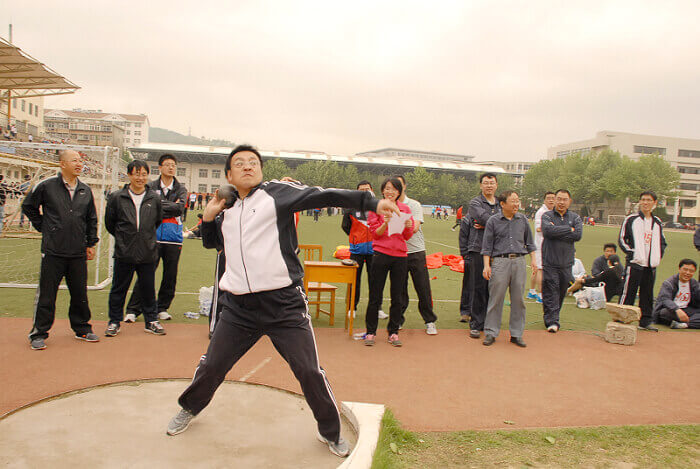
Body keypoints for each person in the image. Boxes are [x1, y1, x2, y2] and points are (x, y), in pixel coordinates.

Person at [166, 145, 398, 458]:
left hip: (284, 305)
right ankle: (189, 408)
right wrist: (209, 217)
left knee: (309, 371)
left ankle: (330, 431)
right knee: (212, 365)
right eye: (239, 163)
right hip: (238, 309)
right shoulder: (227, 208)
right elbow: (215, 244)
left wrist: (371, 202)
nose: (248, 167)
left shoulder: (277, 194)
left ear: (261, 170)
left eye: (253, 162)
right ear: (229, 176)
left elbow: (323, 195)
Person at [21, 150, 100, 350]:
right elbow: (28, 206)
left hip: (77, 252)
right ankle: (39, 333)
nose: (79, 164)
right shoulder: (46, 186)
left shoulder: (85, 190)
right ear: (62, 164)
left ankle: (82, 328)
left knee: (80, 294)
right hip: (53, 251)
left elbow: (91, 219)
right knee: (47, 295)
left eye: (80, 161)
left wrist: (90, 243)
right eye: (74, 160)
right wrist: (44, 226)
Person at [104, 160, 165, 337]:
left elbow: (156, 221)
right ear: (129, 175)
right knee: (118, 289)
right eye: (137, 174)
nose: (140, 178)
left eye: (144, 174)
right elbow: (110, 223)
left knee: (148, 289)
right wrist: (125, 238)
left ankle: (151, 321)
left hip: (147, 252)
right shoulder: (117, 197)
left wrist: (145, 238)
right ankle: (114, 322)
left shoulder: (154, 198)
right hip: (124, 252)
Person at [124, 154, 187, 323]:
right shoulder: (150, 186)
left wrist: (160, 205)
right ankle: (133, 309)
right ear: (160, 168)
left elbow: (179, 209)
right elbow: (149, 207)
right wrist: (167, 206)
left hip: (173, 238)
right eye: (167, 164)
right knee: (146, 273)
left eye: (173, 165)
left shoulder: (181, 189)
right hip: (152, 237)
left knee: (170, 275)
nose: (171, 167)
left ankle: (162, 308)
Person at [481, 191, 537, 347]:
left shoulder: (523, 220)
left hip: (519, 262)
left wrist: (533, 260)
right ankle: (491, 332)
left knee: (518, 299)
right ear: (502, 204)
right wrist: (486, 265)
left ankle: (516, 334)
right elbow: (487, 246)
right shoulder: (493, 221)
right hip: (500, 262)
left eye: (517, 201)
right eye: (513, 201)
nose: (516, 204)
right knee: (496, 298)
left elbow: (530, 243)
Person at [364, 177, 414, 347]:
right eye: (387, 188)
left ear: (399, 192)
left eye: (393, 189)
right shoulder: (377, 208)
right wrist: (385, 224)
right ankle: (371, 332)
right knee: (375, 295)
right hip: (380, 254)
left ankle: (393, 332)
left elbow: (407, 236)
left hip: (400, 256)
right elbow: (375, 234)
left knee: (397, 297)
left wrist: (408, 225)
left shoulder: (405, 209)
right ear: (382, 191)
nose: (390, 192)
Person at [395, 175, 438, 335]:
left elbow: (414, 227)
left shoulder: (414, 205)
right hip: (397, 253)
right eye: (392, 186)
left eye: (399, 185)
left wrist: (395, 225)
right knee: (399, 289)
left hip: (416, 252)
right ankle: (398, 320)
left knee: (423, 287)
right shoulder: (388, 205)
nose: (396, 189)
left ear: (404, 186)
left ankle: (429, 321)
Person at [618, 191, 667, 331]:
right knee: (629, 292)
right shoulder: (631, 219)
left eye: (649, 200)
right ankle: (622, 319)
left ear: (654, 203)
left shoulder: (657, 222)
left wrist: (657, 256)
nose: (645, 203)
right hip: (635, 263)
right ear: (639, 202)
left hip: (650, 265)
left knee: (647, 294)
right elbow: (622, 239)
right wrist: (633, 253)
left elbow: (662, 242)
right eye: (643, 200)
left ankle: (645, 321)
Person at [340, 180, 387, 319]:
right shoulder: (350, 208)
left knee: (376, 281)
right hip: (356, 251)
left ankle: (377, 309)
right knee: (354, 281)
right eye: (361, 190)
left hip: (375, 250)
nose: (365, 192)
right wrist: (356, 238)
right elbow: (345, 226)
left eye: (367, 189)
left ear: (372, 190)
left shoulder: (378, 207)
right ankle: (352, 308)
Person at [541, 189, 582, 332]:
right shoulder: (547, 215)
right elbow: (547, 231)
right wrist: (569, 229)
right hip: (550, 261)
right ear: (554, 200)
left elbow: (578, 235)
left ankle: (552, 315)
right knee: (551, 289)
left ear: (570, 201)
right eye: (559, 199)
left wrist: (557, 230)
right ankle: (552, 321)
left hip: (566, 262)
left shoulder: (575, 217)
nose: (561, 202)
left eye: (564, 199)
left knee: (561, 290)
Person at [466, 173, 501, 339]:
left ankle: (490, 322)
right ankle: (476, 323)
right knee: (479, 287)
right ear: (480, 185)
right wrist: (497, 223)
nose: (489, 186)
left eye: (491, 183)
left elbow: (501, 221)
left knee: (495, 287)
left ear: (496, 185)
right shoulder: (475, 203)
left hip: (498, 250)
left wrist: (488, 224)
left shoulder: (501, 203)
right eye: (486, 183)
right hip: (478, 249)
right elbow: (483, 217)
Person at [653, 259, 700, 329]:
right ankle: (692, 322)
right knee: (664, 312)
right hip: (671, 310)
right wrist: (677, 309)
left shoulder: (694, 283)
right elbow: (665, 299)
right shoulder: (669, 283)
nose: (687, 273)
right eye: (685, 269)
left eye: (691, 271)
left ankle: (683, 325)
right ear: (679, 269)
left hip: (686, 309)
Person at [527, 192, 555, 303]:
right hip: (541, 245)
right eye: (549, 198)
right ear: (544, 200)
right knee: (540, 269)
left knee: (537, 269)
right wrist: (553, 228)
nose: (551, 200)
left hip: (548, 244)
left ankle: (532, 291)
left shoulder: (553, 212)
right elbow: (539, 228)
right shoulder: (541, 212)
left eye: (553, 198)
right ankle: (541, 294)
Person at [458, 213, 472, 322]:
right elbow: (463, 236)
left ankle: (483, 312)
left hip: (490, 256)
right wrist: (465, 254)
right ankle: (465, 311)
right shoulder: (468, 218)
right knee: (468, 283)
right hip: (471, 255)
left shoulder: (495, 214)